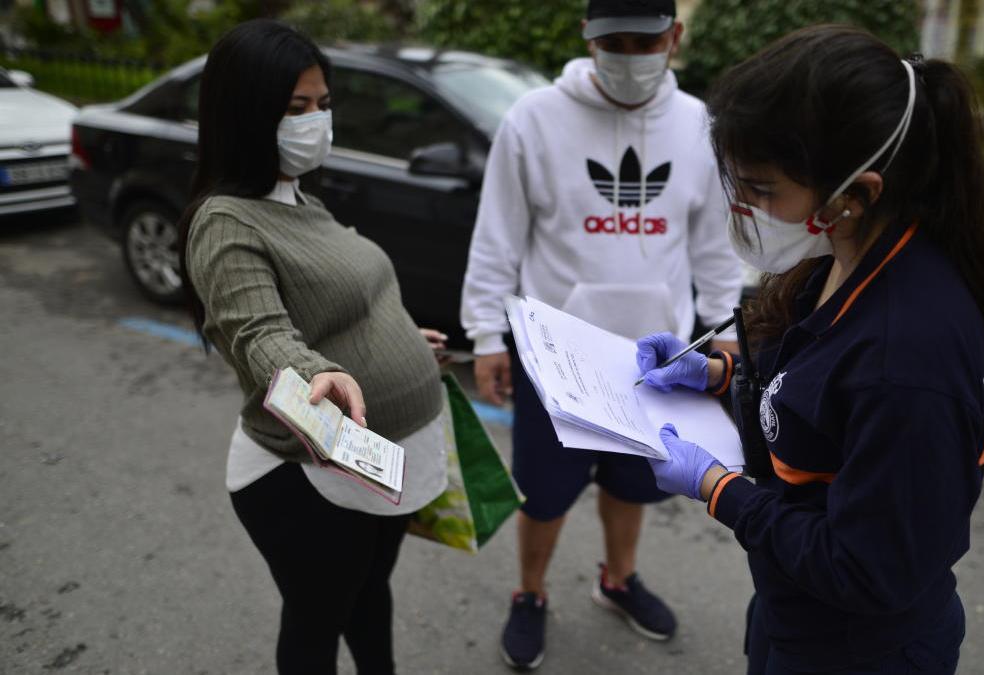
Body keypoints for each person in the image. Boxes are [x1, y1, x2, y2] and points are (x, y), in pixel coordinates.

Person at [634, 26, 984, 674]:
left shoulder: (907, 360)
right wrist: (721, 374)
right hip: (795, 611)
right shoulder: (844, 259)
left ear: (856, 194)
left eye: (762, 188)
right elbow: (818, 390)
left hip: (858, 649)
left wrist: (719, 489)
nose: (741, 205)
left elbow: (866, 567)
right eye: (735, 181)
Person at [460, 0, 743, 669]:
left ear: (675, 37)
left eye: (644, 42)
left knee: (633, 486)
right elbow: (497, 236)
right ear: (587, 40)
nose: (627, 56)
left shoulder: (698, 125)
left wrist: (723, 327)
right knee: (545, 491)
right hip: (556, 360)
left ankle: (617, 579)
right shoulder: (534, 120)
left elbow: (714, 242)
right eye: (611, 41)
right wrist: (486, 335)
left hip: (655, 362)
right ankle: (529, 593)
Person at [180, 20, 452, 675]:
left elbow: (338, 306)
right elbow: (260, 333)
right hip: (305, 478)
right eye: (295, 107)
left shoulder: (299, 199)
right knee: (316, 619)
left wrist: (403, 342)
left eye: (323, 104)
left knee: (367, 594)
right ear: (245, 114)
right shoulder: (226, 222)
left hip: (377, 464)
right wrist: (312, 372)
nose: (316, 121)